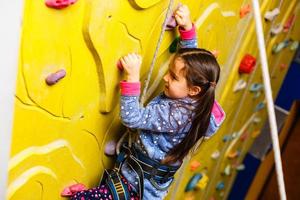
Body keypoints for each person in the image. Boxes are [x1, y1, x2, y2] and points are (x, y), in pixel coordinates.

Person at [64, 4, 225, 200]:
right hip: (140, 180)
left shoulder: (175, 115)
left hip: (136, 189)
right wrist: (186, 29)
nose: (166, 78)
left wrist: (132, 77)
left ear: (193, 90)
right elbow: (190, 65)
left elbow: (132, 118)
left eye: (173, 77)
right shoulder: (199, 97)